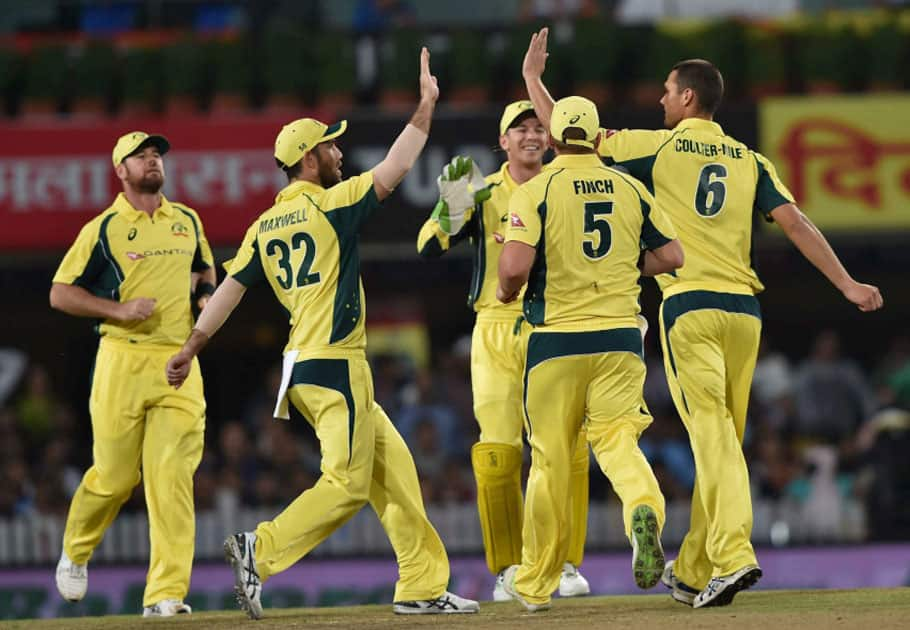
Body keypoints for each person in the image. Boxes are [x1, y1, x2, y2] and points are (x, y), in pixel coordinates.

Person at [522, 27, 884, 608]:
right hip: (745, 313)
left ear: (688, 98)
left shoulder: (656, 147)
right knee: (725, 444)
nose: (661, 100)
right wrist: (845, 283)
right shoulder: (748, 158)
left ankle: (734, 555)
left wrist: (536, 83)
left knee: (713, 439)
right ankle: (692, 570)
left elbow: (576, 143)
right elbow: (795, 223)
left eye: (668, 91)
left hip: (690, 306)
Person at [165, 48, 479, 619]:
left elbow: (230, 291)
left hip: (303, 367)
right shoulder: (334, 204)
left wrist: (192, 346)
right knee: (349, 485)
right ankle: (260, 549)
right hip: (337, 363)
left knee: (397, 475)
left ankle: (421, 584)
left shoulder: (264, 225)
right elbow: (397, 167)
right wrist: (426, 105)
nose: (339, 152)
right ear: (310, 160)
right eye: (331, 145)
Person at [496, 95, 685, 611]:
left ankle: (535, 584)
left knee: (550, 463)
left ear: (554, 138)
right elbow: (673, 256)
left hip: (556, 341)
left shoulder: (535, 189)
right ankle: (644, 511)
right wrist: (624, 267)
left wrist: (505, 293)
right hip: (621, 338)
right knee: (618, 443)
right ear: (595, 134)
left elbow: (513, 267)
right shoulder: (631, 187)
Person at [416, 101, 592, 600]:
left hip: (556, 323)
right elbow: (429, 245)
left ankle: (564, 564)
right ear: (504, 142)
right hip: (494, 327)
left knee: (566, 449)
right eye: (521, 129)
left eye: (540, 127)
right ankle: (510, 569)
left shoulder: (567, 185)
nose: (532, 135)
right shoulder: (482, 190)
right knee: (497, 454)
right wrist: (451, 206)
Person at [50, 131, 216, 617]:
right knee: (115, 478)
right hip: (122, 358)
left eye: (156, 155)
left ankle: (165, 594)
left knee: (171, 479)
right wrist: (118, 310)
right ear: (120, 171)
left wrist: (204, 298)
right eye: (140, 156)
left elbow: (206, 271)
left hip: (178, 361)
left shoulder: (186, 219)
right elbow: (60, 293)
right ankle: (76, 552)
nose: (152, 160)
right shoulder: (103, 228)